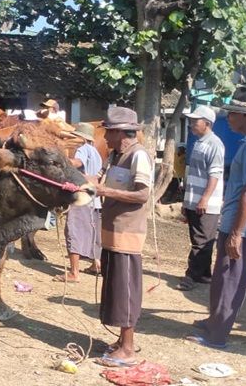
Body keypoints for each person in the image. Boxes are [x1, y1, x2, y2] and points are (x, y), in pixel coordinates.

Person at [187, 86, 246, 349]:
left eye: (231, 113)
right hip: (242, 224)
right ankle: (214, 321)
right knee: (223, 276)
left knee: (232, 279)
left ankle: (217, 336)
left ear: (245, 116)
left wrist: (237, 233)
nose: (227, 118)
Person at [94, 107, 153, 367]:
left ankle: (128, 349)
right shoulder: (116, 155)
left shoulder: (138, 155)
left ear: (121, 133)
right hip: (112, 231)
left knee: (125, 290)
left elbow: (142, 195)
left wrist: (105, 191)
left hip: (127, 233)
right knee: (115, 287)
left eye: (108, 131)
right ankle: (121, 341)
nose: (105, 136)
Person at [177, 106, 224, 291]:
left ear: (207, 123)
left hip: (206, 203)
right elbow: (193, 174)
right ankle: (204, 274)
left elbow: (215, 175)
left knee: (202, 241)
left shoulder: (215, 144)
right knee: (199, 238)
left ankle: (191, 276)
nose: (191, 124)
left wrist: (204, 199)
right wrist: (186, 201)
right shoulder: (198, 142)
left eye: (195, 121)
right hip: (193, 200)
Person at [53, 122, 103, 282]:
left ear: (80, 137)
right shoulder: (96, 152)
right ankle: (97, 264)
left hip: (81, 196)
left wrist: (61, 160)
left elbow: (78, 163)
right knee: (94, 233)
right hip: (94, 198)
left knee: (73, 231)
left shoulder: (82, 149)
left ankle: (74, 272)